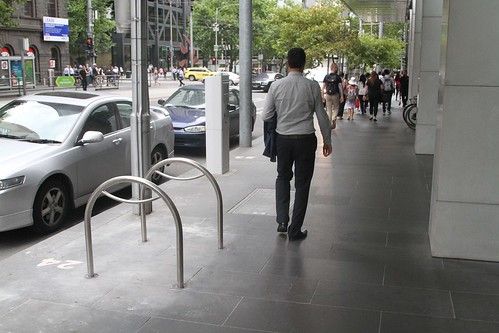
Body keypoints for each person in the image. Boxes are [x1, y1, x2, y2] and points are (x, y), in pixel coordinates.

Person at [262, 47, 332, 242]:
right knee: (302, 185)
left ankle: (282, 221)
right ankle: (295, 230)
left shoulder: (276, 86)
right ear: (304, 64)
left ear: (287, 63)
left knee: (282, 177)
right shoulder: (312, 86)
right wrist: (327, 140)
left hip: (283, 139)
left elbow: (265, 115)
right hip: (306, 140)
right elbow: (321, 115)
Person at [321, 63, 344, 130]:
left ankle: (329, 123)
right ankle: (334, 118)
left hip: (328, 94)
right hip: (335, 94)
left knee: (329, 109)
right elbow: (340, 86)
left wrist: (322, 95)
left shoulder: (326, 76)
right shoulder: (337, 77)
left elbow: (323, 87)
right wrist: (342, 96)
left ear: (331, 68)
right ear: (335, 68)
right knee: (336, 108)